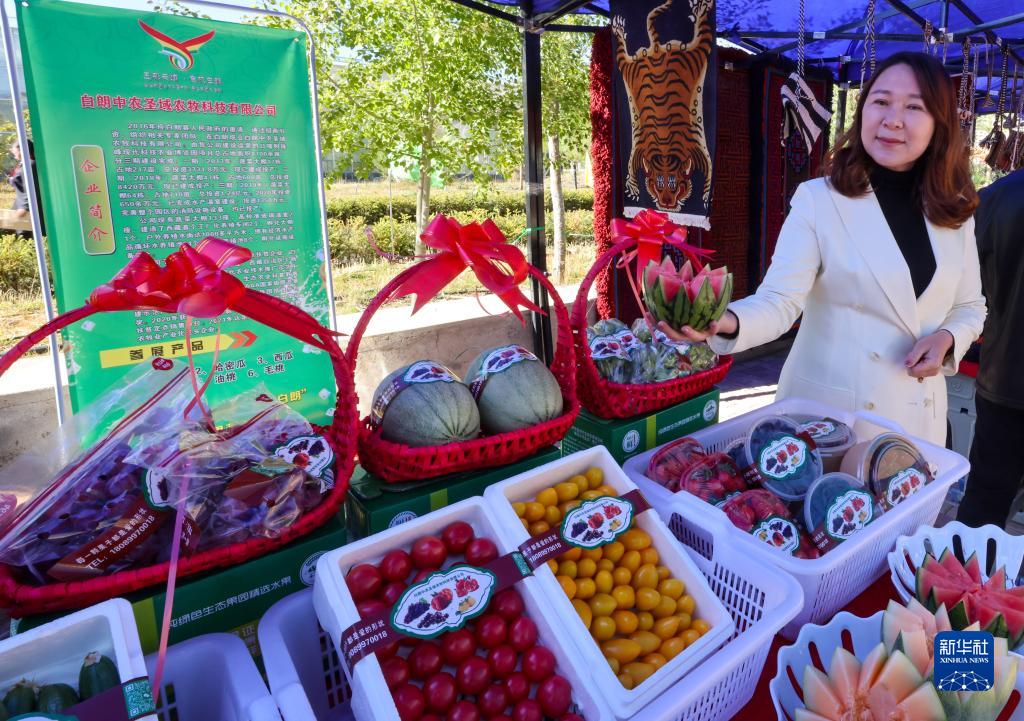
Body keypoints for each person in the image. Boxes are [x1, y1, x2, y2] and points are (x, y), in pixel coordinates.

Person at [663, 51, 986, 445]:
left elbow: (970, 306)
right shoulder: (820, 200)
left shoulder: (955, 213)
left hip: (918, 421)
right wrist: (723, 320)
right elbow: (780, 301)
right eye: (881, 101)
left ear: (940, 124)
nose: (892, 119)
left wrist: (947, 339)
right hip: (829, 421)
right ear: (862, 111)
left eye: (914, 107)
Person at [957, 167, 1024, 528]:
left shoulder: (997, 196)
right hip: (1003, 378)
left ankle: (969, 564)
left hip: (1004, 376)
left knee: (984, 501)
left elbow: (967, 290)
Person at [8, 138, 43, 238]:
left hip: (27, 212)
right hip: (20, 207)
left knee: (26, 237)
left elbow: (33, 189)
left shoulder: (31, 165)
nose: (13, 152)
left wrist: (24, 208)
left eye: (14, 149)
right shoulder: (24, 164)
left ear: (22, 149)